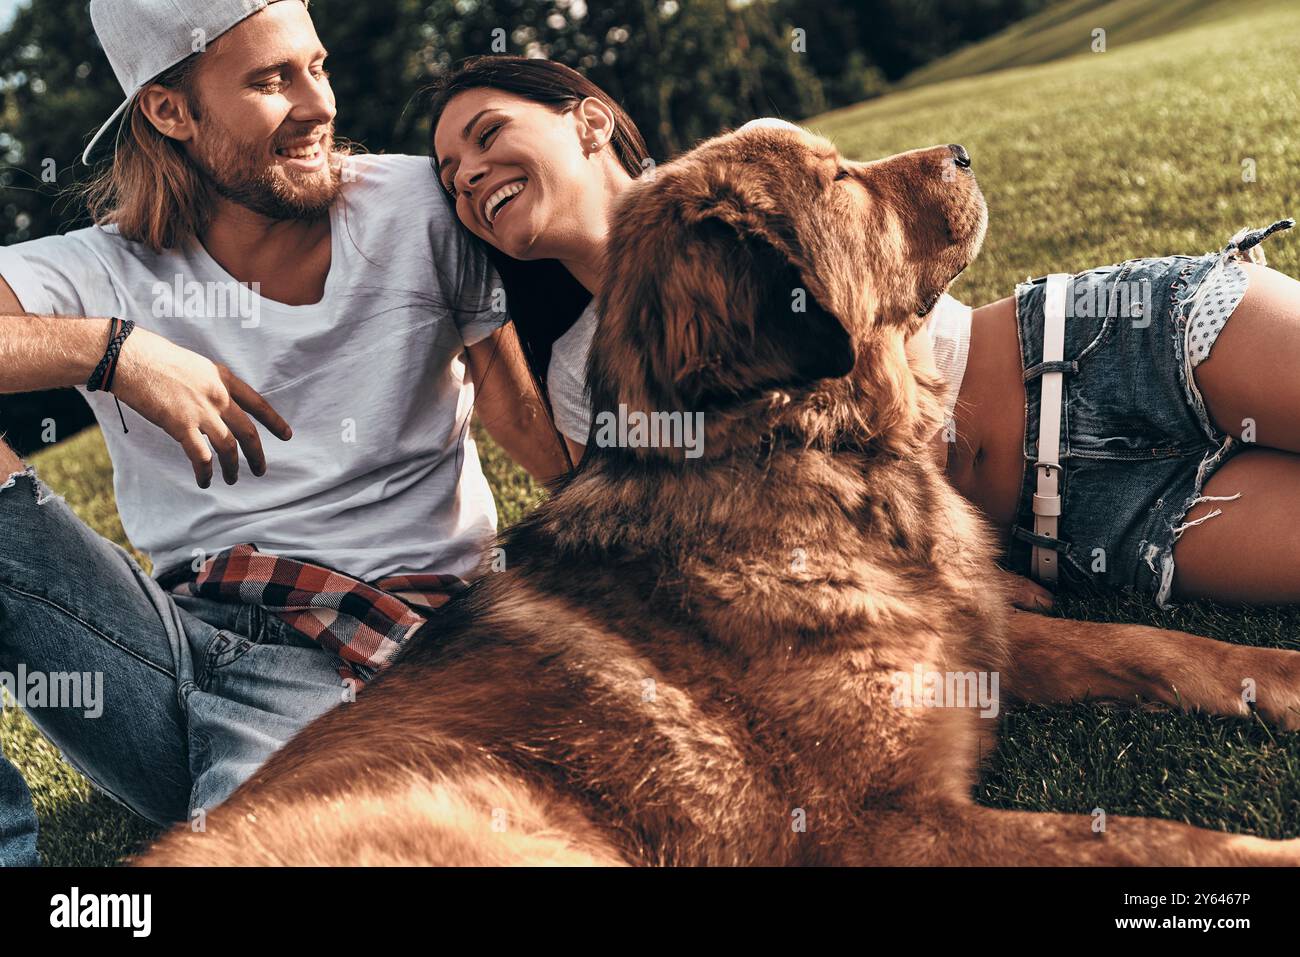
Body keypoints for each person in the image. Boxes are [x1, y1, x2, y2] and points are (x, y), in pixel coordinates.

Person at [0, 1, 566, 865]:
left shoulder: (415, 205)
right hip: (166, 655)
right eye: (271, 80)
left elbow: (525, 417)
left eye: (318, 65)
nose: (319, 104)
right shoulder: (105, 270)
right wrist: (116, 352)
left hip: (392, 643)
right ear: (171, 111)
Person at [430, 55, 1300, 611]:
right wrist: (942, 565)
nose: (469, 173)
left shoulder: (753, 160)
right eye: (449, 174)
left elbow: (904, 254)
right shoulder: (590, 382)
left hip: (1097, 349)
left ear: (587, 120)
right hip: (1072, 524)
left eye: (487, 134)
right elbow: (741, 549)